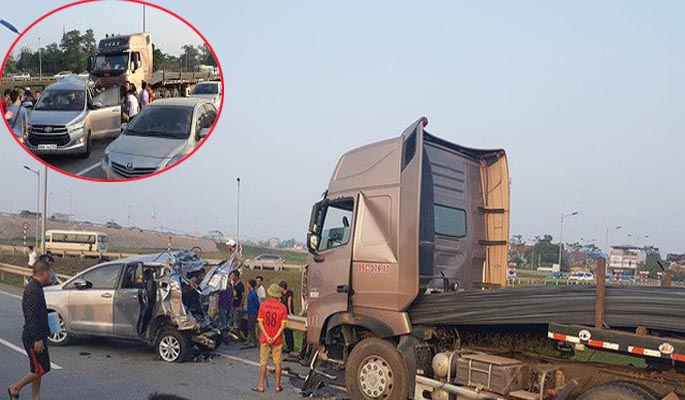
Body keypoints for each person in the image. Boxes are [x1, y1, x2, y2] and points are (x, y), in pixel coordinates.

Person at [7, 260, 54, 400]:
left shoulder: (36, 286)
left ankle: (35, 396)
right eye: (50, 272)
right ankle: (15, 387)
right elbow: (31, 316)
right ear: (45, 273)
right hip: (33, 337)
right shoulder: (34, 290)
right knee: (42, 368)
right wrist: (37, 339)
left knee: (37, 368)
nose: (51, 275)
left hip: (39, 334)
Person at [253, 284, 288, 394]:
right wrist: (275, 337)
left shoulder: (264, 305)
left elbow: (260, 323)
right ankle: (277, 386)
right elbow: (283, 326)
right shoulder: (283, 307)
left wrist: (267, 336)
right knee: (277, 363)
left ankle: (261, 385)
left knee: (263, 362)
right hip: (277, 340)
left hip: (265, 338)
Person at [242, 279, 259, 349]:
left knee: (252, 327)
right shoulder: (250, 292)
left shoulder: (253, 293)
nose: (247, 285)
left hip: (253, 312)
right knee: (249, 326)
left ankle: (253, 341)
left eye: (248, 283)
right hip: (249, 311)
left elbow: (257, 303)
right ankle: (249, 340)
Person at [279, 280, 295, 354]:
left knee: (289, 332)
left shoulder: (289, 293)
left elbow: (289, 302)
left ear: (283, 287)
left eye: (280, 287)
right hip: (283, 314)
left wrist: (290, 312)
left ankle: (291, 347)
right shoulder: (281, 294)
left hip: (288, 313)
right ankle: (288, 347)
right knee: (285, 331)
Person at [230, 270, 245, 335]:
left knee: (236, 322)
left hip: (238, 305)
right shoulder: (233, 284)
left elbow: (243, 295)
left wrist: (241, 306)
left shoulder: (240, 285)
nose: (231, 277)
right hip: (233, 305)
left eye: (233, 275)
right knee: (232, 320)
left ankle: (237, 335)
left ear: (236, 276)